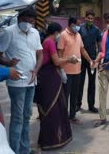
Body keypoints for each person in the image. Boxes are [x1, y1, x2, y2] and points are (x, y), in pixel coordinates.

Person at [0, 7, 44, 154]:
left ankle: (25, 149)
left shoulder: (35, 33)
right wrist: (8, 63)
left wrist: (36, 70)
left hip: (31, 80)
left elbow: (40, 54)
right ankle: (14, 150)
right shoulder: (9, 32)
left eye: (31, 21)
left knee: (27, 115)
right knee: (17, 117)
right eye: (25, 20)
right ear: (19, 18)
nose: (28, 23)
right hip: (16, 82)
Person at [34, 22, 77, 150]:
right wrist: (70, 59)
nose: (60, 35)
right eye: (59, 33)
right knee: (52, 109)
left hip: (50, 77)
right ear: (56, 33)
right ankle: (51, 141)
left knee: (57, 107)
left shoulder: (47, 41)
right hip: (48, 79)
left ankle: (55, 139)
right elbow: (56, 61)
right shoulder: (50, 42)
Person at [57, 17, 93, 125]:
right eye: (77, 24)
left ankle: (72, 116)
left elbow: (82, 50)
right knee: (65, 96)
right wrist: (61, 69)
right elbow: (59, 52)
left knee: (74, 95)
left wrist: (90, 60)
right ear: (71, 24)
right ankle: (63, 117)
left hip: (77, 71)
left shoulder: (78, 35)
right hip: (67, 71)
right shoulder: (63, 35)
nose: (79, 26)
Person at [77, 10, 102, 113]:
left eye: (92, 19)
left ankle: (91, 105)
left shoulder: (96, 30)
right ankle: (78, 104)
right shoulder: (80, 29)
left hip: (92, 60)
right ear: (85, 18)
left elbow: (99, 45)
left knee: (92, 83)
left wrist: (99, 59)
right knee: (80, 82)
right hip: (81, 59)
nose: (90, 20)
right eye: (89, 18)